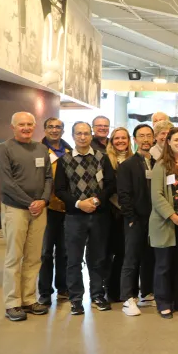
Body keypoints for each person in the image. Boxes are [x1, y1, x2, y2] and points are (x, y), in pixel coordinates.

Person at [55, 121, 116, 316]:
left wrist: (96, 201)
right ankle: (76, 299)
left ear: (91, 136)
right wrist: (79, 204)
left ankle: (98, 295)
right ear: (72, 136)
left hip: (98, 216)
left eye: (86, 133)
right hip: (75, 217)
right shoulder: (63, 160)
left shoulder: (102, 158)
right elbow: (60, 190)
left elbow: (110, 185)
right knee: (73, 259)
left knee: (97, 258)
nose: (82, 137)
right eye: (78, 134)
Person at [0, 112, 52, 321]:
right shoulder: (4, 149)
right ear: (13, 127)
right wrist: (30, 202)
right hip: (15, 209)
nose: (26, 127)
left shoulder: (41, 148)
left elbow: (48, 177)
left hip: (39, 210)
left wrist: (43, 200)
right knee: (14, 257)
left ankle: (29, 299)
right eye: (22, 125)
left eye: (30, 124)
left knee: (34, 256)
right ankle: (12, 303)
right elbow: (7, 183)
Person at [149, 127, 178, 319]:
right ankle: (164, 302)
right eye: (176, 140)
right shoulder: (161, 165)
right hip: (166, 224)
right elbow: (157, 195)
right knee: (164, 265)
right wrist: (172, 216)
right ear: (168, 142)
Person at [117, 124, 157, 316]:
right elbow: (123, 195)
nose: (145, 139)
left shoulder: (158, 162)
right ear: (135, 140)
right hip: (135, 219)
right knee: (131, 258)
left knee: (149, 257)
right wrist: (131, 218)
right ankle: (128, 297)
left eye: (149, 136)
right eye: (141, 136)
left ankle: (147, 293)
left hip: (155, 219)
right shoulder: (127, 165)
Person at [37, 117, 72, 306]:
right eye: (50, 127)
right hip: (46, 208)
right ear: (44, 129)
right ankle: (44, 291)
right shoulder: (38, 150)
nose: (54, 130)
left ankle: (63, 287)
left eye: (58, 127)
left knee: (64, 251)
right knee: (45, 252)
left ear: (63, 130)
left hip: (66, 208)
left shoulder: (69, 152)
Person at [104, 127, 134, 303]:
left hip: (128, 212)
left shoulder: (133, 160)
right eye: (117, 138)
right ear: (111, 141)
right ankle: (110, 289)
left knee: (125, 253)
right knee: (109, 252)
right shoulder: (106, 160)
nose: (120, 141)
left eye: (124, 138)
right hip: (111, 211)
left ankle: (123, 289)